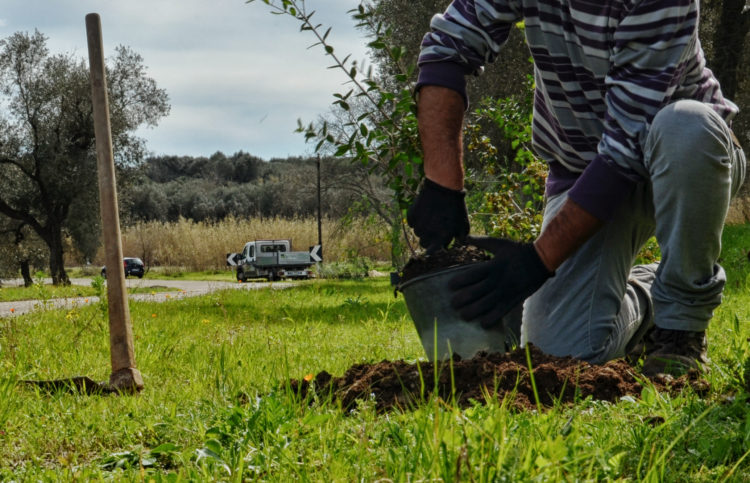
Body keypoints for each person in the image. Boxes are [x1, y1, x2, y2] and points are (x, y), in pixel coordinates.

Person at [406, 0, 746, 376]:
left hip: (686, 162)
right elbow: (446, 45)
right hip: (584, 172)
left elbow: (625, 149)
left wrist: (536, 261)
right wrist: (442, 184)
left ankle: (680, 325)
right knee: (560, 354)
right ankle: (651, 294)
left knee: (686, 125)